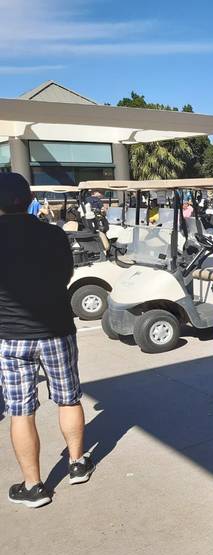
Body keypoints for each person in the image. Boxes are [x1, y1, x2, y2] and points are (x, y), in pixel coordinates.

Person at [0, 173, 94, 509]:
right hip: (57, 329)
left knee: (20, 412)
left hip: (11, 337)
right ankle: (78, 463)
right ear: (28, 199)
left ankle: (34, 486)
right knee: (69, 398)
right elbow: (66, 275)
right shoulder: (53, 234)